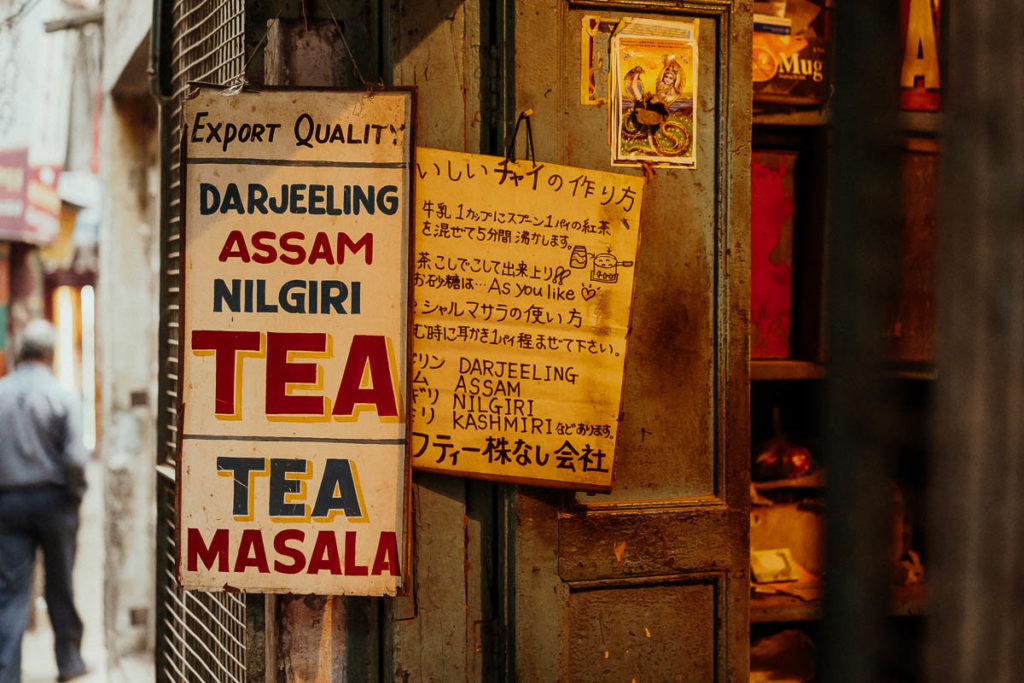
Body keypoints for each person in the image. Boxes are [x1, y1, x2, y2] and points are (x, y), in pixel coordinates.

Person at [0, 319, 88, 683]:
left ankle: (7, 672)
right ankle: (68, 662)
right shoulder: (63, 395)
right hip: (54, 502)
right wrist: (75, 496)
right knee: (60, 584)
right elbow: (75, 460)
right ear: (51, 354)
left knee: (10, 591)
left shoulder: (1, 393)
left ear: (19, 352)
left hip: (7, 503)